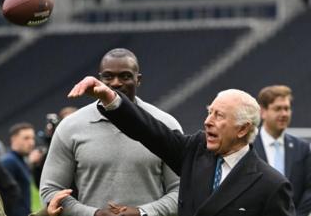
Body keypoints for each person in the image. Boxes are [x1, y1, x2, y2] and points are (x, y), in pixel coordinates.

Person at [67, 76, 296, 216]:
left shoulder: (271, 185)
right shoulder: (195, 151)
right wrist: (109, 97)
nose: (208, 121)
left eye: (219, 115)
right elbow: (149, 130)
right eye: (209, 112)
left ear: (242, 129)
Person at [41, 48, 182, 216]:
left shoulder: (165, 124)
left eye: (125, 76)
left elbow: (182, 190)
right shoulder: (70, 127)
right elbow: (51, 191)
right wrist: (93, 214)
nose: (115, 83)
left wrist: (143, 213)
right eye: (108, 76)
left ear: (138, 80)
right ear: (99, 79)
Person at [254, 85, 311, 216]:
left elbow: (309, 189)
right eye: (278, 109)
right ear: (262, 112)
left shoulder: (301, 148)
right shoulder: (247, 146)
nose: (284, 114)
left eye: (287, 108)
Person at [1, 122, 36, 216]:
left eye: (33, 138)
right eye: (26, 138)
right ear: (14, 139)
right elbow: (3, 198)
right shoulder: (8, 162)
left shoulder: (21, 161)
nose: (32, 142)